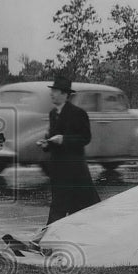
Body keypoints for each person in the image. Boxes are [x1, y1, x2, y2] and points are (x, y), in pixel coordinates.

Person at [38, 76, 100, 225]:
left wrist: (64, 140)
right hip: (59, 170)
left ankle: (49, 239)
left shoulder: (78, 113)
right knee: (60, 207)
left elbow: (85, 138)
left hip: (75, 171)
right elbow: (53, 137)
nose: (52, 94)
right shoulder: (53, 114)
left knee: (79, 209)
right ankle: (49, 239)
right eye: (52, 91)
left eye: (55, 91)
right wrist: (47, 144)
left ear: (65, 94)